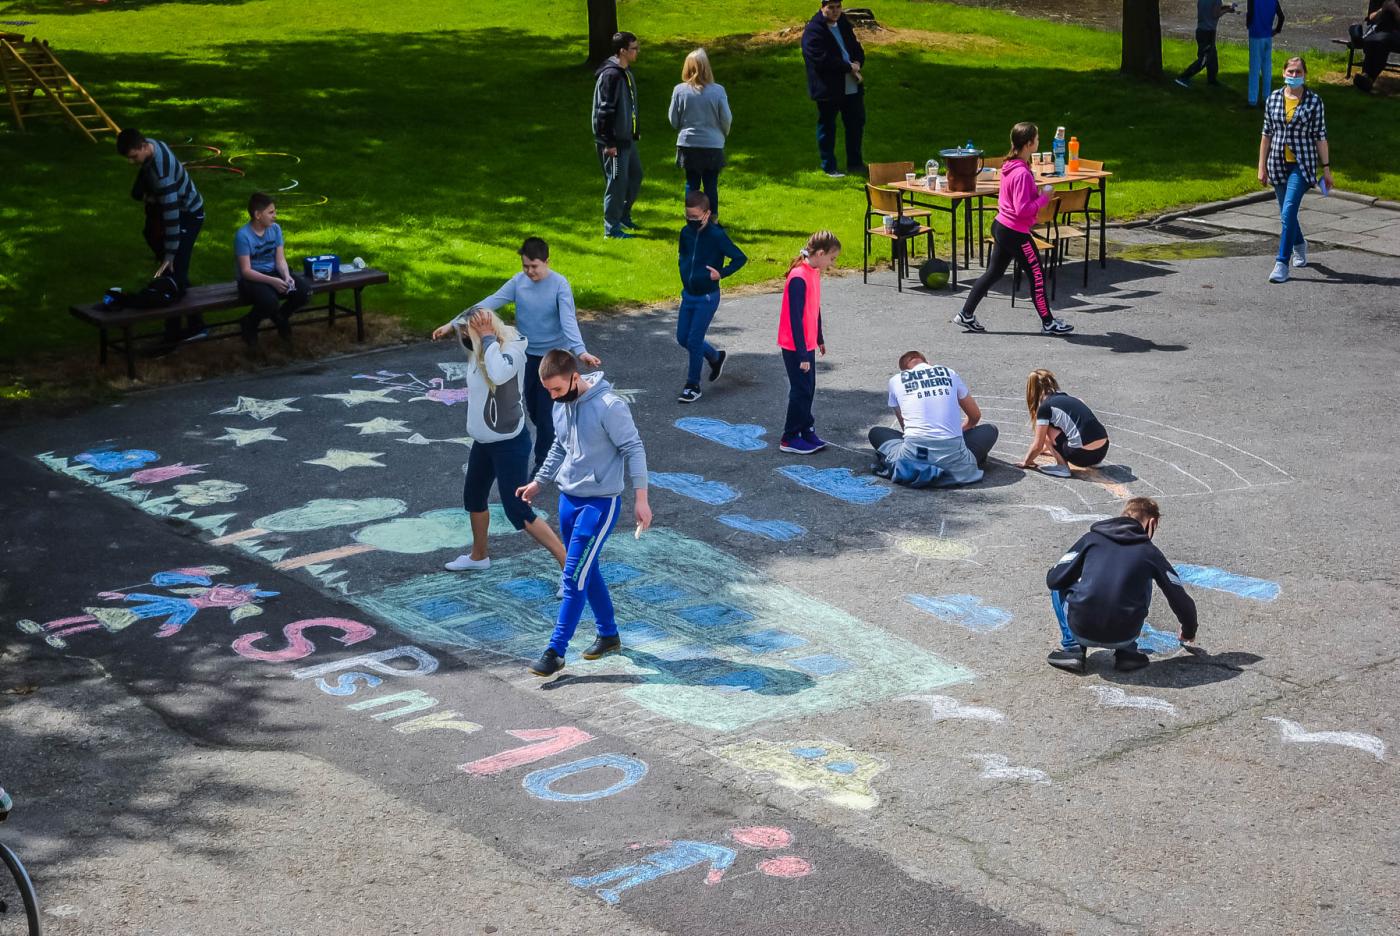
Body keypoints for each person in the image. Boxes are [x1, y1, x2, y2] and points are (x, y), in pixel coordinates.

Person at [516, 350, 651, 677]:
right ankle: (608, 634)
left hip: (599, 505)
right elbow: (560, 447)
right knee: (587, 570)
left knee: (574, 575)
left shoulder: (610, 407)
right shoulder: (560, 405)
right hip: (568, 501)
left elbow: (634, 448)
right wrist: (538, 482)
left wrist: (641, 499)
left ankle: (556, 651)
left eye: (558, 389)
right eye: (548, 391)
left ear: (576, 377)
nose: (553, 397)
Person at [432, 237, 602, 472]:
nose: (529, 272)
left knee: (545, 414)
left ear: (547, 262)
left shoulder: (560, 285)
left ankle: (544, 465)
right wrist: (452, 324)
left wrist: (580, 352)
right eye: (525, 266)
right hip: (527, 355)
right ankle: (558, 438)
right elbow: (488, 303)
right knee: (529, 406)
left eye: (534, 266)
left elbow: (568, 321)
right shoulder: (518, 282)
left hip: (552, 356)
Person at [440, 308, 568, 574]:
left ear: (485, 331)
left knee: (517, 509)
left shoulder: (512, 349)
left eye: (467, 333)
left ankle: (569, 568)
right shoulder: (480, 350)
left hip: (509, 444)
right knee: (474, 498)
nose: (464, 338)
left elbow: (498, 374)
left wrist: (486, 338)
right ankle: (479, 557)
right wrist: (450, 326)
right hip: (484, 442)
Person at [1045, 497, 1199, 673]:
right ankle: (1127, 653)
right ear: (1152, 523)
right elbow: (1178, 597)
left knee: (1061, 580)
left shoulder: (1091, 539)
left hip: (1081, 627)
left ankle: (1073, 649)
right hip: (1124, 635)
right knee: (1142, 579)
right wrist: (1188, 631)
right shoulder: (1150, 553)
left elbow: (1054, 580)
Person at [952, 122, 1073, 337]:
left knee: (994, 272)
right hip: (1015, 232)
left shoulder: (1011, 166)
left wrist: (1035, 193)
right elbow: (1021, 209)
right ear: (1028, 144)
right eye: (1036, 139)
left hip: (1002, 226)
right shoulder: (1022, 173)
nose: (1038, 142)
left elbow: (1016, 200)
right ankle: (1049, 323)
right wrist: (1044, 198)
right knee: (1036, 274)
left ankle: (966, 314)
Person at [117, 128, 206, 343]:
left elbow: (172, 216)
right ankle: (193, 325)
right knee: (177, 273)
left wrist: (169, 255)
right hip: (176, 208)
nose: (132, 162)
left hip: (188, 215)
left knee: (172, 273)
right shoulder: (153, 144)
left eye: (133, 157)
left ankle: (180, 332)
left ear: (143, 147)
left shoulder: (163, 176)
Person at [869, 351, 999, 488]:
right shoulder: (948, 372)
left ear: (904, 371)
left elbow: (905, 427)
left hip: (915, 455)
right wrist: (960, 431)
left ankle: (921, 467)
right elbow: (975, 416)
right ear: (928, 363)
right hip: (955, 459)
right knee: (990, 430)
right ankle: (953, 464)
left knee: (876, 433)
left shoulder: (895, 381)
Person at [1257, 56, 1332, 284]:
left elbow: (1321, 136)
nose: (1294, 76)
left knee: (1288, 210)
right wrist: (1261, 166)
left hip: (1302, 164)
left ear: (1305, 75)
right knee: (1285, 213)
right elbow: (1266, 134)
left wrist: (1326, 169)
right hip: (1277, 164)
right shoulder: (1274, 99)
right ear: (1283, 73)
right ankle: (1300, 244)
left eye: (1298, 72)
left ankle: (1282, 262)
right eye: (1290, 71)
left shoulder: (1314, 101)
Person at [675, 192, 747, 403]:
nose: (691, 221)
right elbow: (683, 254)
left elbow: (740, 258)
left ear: (707, 214)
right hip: (688, 294)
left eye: (696, 218)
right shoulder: (685, 233)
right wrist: (683, 267)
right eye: (688, 217)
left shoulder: (716, 235)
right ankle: (716, 357)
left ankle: (693, 384)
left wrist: (720, 273)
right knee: (682, 338)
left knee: (694, 340)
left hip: (707, 296)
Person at [777, 231, 840, 454]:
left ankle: (806, 427)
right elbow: (795, 319)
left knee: (809, 388)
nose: (832, 263)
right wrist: (803, 354)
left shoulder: (813, 272)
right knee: (800, 390)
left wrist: (819, 337)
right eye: (831, 258)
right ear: (820, 253)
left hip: (807, 343)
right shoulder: (798, 277)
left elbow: (815, 308)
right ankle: (790, 436)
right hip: (796, 346)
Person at [234, 192, 310, 348]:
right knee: (269, 302)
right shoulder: (243, 236)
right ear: (257, 215)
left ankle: (281, 317)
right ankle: (249, 324)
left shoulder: (275, 229)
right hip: (252, 278)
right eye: (271, 212)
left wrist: (286, 276)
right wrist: (273, 281)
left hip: (273, 273)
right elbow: (246, 271)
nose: (275, 215)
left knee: (304, 292)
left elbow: (280, 259)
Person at [802, 0, 865, 178]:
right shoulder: (814, 30)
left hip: (852, 85)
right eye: (831, 8)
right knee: (827, 127)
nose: (835, 11)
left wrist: (858, 62)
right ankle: (829, 166)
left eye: (838, 7)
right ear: (822, 7)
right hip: (829, 88)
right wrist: (848, 67)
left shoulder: (843, 23)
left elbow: (855, 47)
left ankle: (855, 164)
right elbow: (819, 59)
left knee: (855, 125)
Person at [668, 48, 733, 221]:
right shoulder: (718, 91)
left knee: (692, 183)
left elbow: (673, 120)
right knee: (711, 184)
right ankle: (712, 219)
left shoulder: (679, 91)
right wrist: (722, 135)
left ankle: (692, 218)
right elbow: (726, 118)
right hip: (712, 144)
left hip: (688, 143)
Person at [593, 31, 643, 239]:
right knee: (616, 182)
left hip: (627, 140)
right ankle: (611, 228)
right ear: (622, 51)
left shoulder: (625, 72)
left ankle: (623, 215)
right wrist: (608, 142)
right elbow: (604, 110)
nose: (637, 52)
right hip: (614, 142)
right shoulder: (611, 75)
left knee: (635, 176)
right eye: (634, 48)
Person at [1017, 369, 1109, 476]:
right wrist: (1046, 450)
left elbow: (1038, 444)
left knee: (1046, 431)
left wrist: (1026, 462)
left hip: (1082, 456)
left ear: (1032, 390)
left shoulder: (1045, 407)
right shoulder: (1069, 398)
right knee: (1069, 427)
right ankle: (1094, 462)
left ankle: (1062, 467)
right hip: (1102, 450)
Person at [1174, 1, 1239, 88]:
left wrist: (1227, 7)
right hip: (1208, 33)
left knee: (1212, 58)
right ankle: (1183, 78)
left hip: (1201, 31)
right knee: (1204, 59)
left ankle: (1212, 81)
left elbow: (1211, 9)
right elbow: (1215, 14)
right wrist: (1227, 10)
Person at [1246, 0, 1286, 107]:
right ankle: (1266, 98)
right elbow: (1281, 16)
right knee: (1267, 68)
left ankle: (1252, 100)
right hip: (1267, 35)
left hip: (1255, 34)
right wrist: (1277, 30)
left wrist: (1248, 25)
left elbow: (1249, 14)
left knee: (1254, 68)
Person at [1355, 0, 1400, 93]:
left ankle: (1368, 77)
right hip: (1379, 31)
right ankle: (1367, 77)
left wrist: (1396, 10)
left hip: (1396, 33)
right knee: (1374, 40)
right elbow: (1371, 18)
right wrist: (1382, 9)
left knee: (1382, 40)